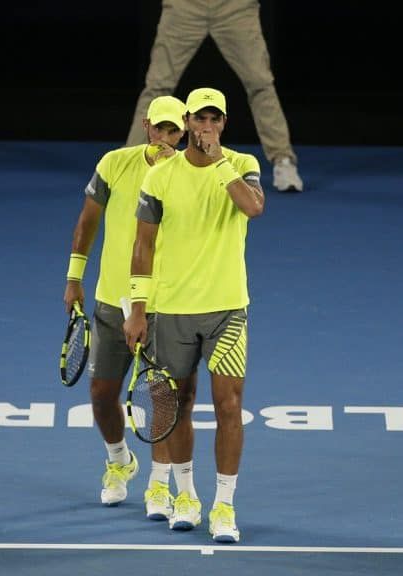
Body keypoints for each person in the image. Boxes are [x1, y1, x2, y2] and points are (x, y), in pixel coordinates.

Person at [124, 87, 263, 543]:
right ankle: (185, 495)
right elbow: (142, 246)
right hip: (171, 310)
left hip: (228, 310)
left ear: (223, 124)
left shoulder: (242, 164)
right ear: (186, 123)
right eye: (199, 119)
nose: (206, 127)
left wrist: (219, 161)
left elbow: (253, 207)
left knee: (229, 407)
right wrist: (138, 309)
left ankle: (224, 505)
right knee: (176, 405)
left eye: (214, 119)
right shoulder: (161, 176)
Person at [64, 95, 189, 519]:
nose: (165, 138)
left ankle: (161, 484)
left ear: (183, 132)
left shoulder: (189, 175)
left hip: (164, 303)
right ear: (147, 126)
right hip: (110, 299)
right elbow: (87, 221)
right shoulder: (114, 163)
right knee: (102, 395)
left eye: (174, 131)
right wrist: (74, 277)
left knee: (161, 396)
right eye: (160, 128)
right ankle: (119, 460)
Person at [124, 0, 303, 193]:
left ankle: (283, 160)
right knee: (158, 85)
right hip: (185, 6)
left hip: (235, 6)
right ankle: (128, 163)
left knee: (260, 83)